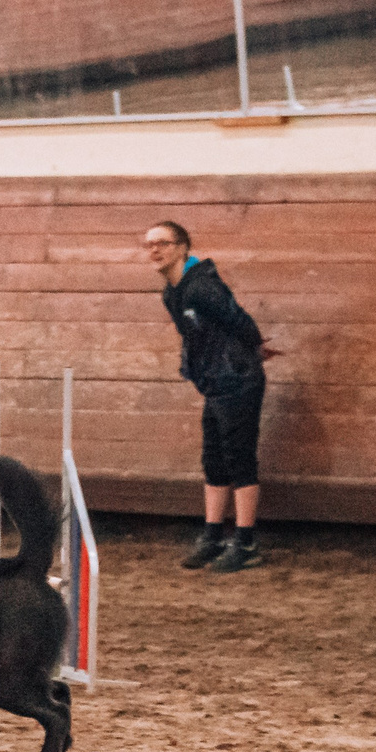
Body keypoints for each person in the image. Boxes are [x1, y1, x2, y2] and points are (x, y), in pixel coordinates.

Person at [147, 220, 276, 573]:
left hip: (237, 379)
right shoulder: (172, 293)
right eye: (149, 245)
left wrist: (254, 349)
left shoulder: (202, 288)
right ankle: (213, 535)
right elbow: (196, 338)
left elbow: (239, 319)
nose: (154, 250)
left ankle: (246, 542)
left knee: (239, 458)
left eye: (162, 243)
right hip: (216, 382)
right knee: (214, 460)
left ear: (182, 248)